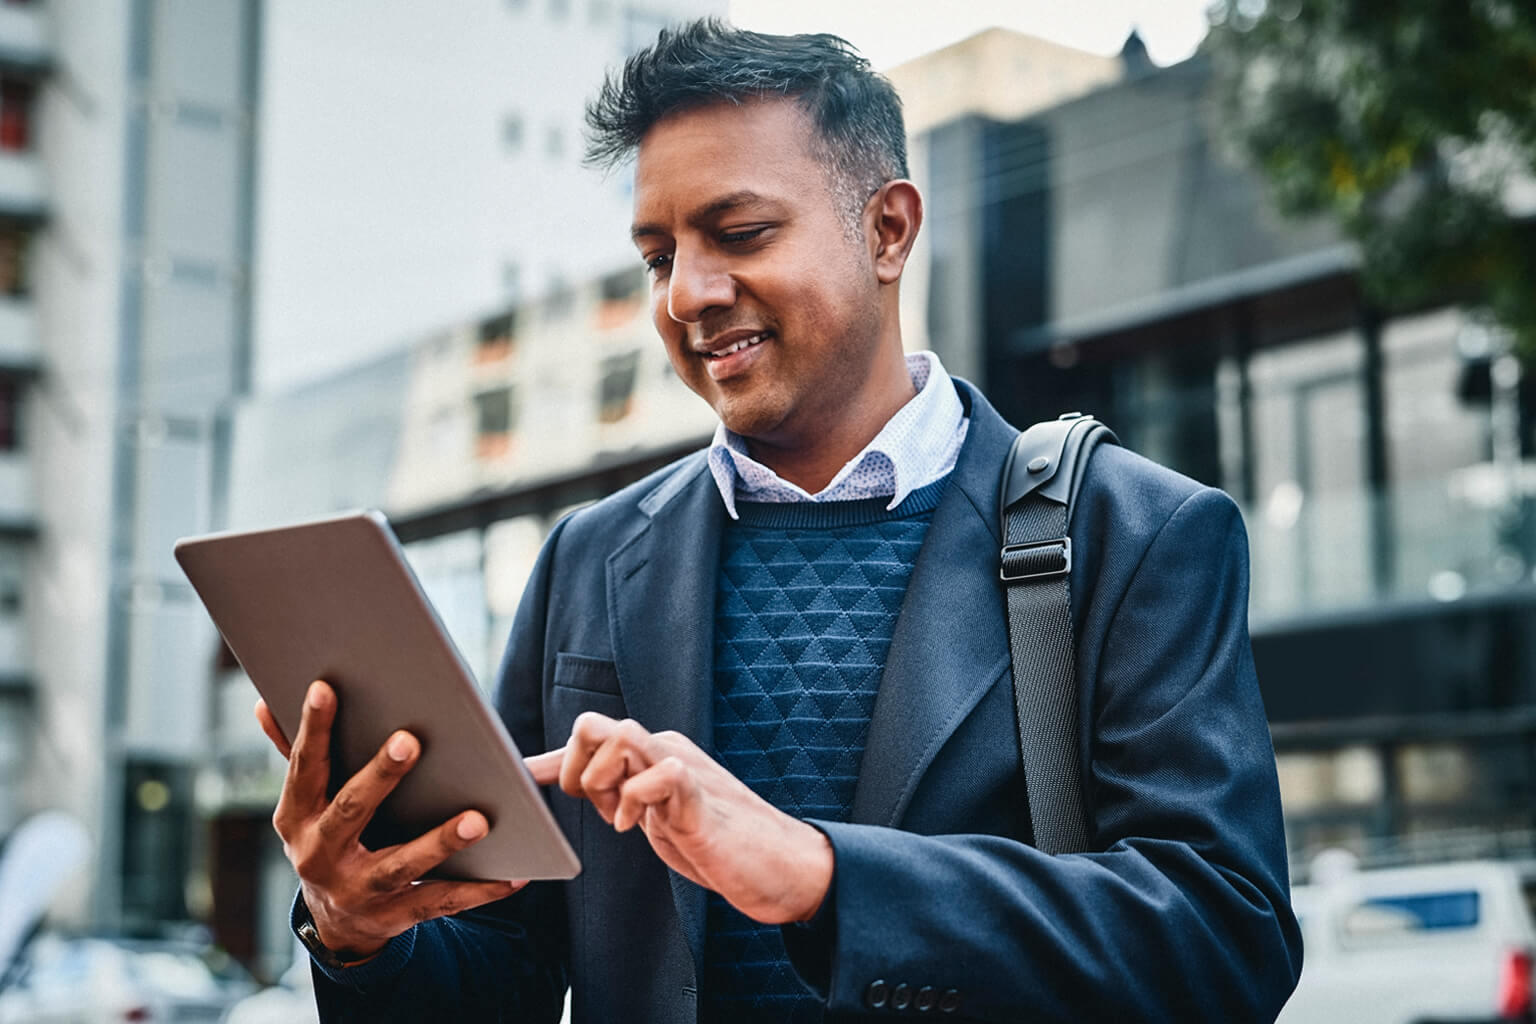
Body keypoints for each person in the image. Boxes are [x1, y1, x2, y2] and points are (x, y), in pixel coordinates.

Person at [256, 19, 1303, 1023]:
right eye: (659, 255)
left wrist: (820, 876)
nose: (689, 295)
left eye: (740, 232)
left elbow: (1226, 939)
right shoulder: (589, 558)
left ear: (889, 229)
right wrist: (361, 931)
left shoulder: (1141, 532)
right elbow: (508, 977)